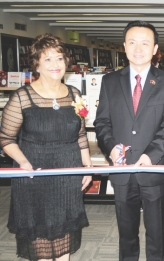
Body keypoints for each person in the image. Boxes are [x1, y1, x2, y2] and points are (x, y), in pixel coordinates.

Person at [0, 33, 92, 261]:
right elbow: (5, 139)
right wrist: (23, 162)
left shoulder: (74, 94)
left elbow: (80, 133)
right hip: (35, 174)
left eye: (59, 58)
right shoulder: (21, 97)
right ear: (36, 63)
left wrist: (87, 165)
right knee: (42, 243)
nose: (55, 64)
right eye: (48, 59)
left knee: (64, 242)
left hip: (67, 174)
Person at [94, 20, 164, 260]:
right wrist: (111, 147)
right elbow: (101, 123)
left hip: (154, 169)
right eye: (132, 42)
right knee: (126, 234)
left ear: (155, 49)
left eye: (145, 43)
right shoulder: (109, 82)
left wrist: (150, 155)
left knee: (155, 234)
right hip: (122, 169)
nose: (138, 48)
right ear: (124, 46)